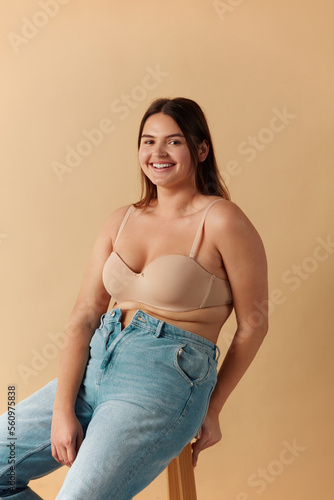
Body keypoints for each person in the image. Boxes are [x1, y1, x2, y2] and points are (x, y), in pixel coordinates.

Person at [0, 97, 268, 499]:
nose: (157, 153)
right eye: (148, 141)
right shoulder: (121, 219)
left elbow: (254, 324)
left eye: (173, 142)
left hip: (164, 378)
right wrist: (62, 409)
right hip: (97, 362)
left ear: (200, 150)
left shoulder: (222, 220)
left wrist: (212, 406)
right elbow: (85, 316)